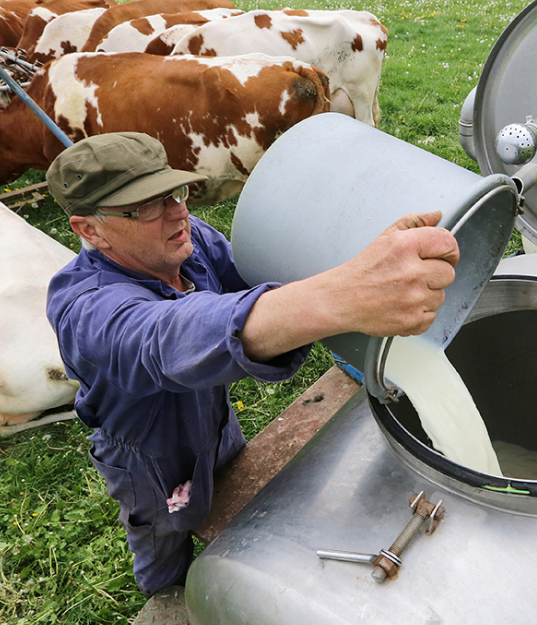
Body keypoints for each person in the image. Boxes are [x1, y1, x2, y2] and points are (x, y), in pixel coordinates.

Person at [44, 132, 459, 604]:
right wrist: (340, 298)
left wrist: (341, 266)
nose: (177, 212)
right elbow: (170, 338)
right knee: (162, 532)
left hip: (215, 421)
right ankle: (167, 598)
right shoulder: (84, 310)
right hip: (150, 457)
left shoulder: (187, 238)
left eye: (172, 192)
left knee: (231, 488)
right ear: (89, 230)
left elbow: (255, 280)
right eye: (144, 207)